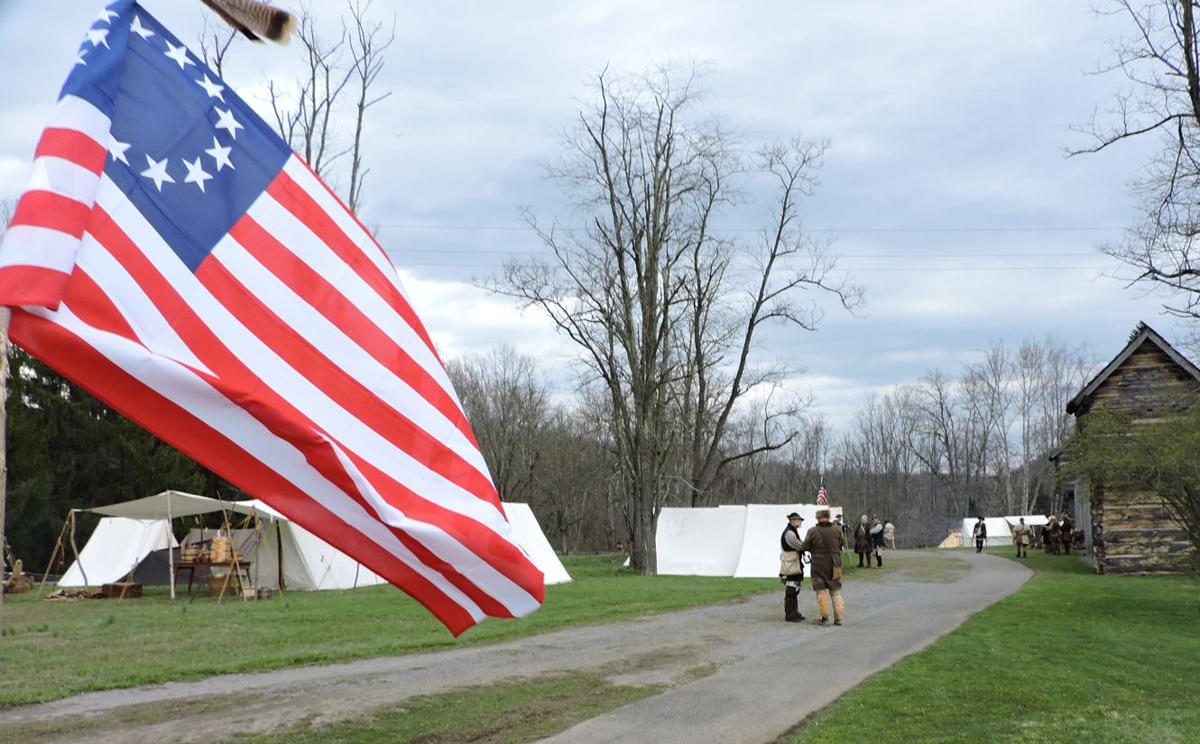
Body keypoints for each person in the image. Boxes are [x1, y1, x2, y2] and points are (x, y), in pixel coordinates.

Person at [800, 509, 847, 625]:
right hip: (835, 563)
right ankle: (838, 618)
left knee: (821, 592)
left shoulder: (812, 531)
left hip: (818, 564)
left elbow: (804, 546)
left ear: (818, 518)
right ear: (828, 517)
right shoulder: (837, 529)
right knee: (835, 591)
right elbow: (843, 544)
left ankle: (824, 617)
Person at [779, 512, 807, 623]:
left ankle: (794, 612)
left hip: (794, 562)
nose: (800, 522)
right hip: (791, 563)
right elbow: (799, 546)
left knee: (795, 589)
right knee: (791, 589)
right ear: (792, 521)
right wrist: (807, 545)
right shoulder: (789, 533)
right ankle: (789, 614)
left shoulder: (792, 531)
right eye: (798, 520)